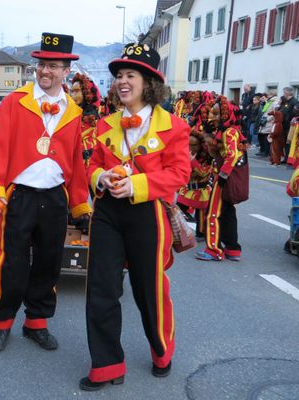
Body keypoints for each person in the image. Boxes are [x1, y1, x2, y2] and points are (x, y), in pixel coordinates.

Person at [81, 43, 190, 391]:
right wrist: (101, 177)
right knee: (101, 287)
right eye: (119, 76)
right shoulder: (105, 124)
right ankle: (106, 364)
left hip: (148, 213)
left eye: (131, 75)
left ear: (148, 82)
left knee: (149, 289)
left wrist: (137, 185)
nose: (122, 82)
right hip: (109, 213)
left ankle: (161, 349)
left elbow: (179, 174)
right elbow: (93, 165)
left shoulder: (174, 126)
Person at [0, 32, 91, 352]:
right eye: (42, 65)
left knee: (49, 262)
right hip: (19, 195)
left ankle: (36, 323)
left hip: (55, 196)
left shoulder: (73, 110)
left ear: (66, 71)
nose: (46, 71)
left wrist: (80, 203)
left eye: (54, 66)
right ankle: (2, 322)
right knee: (12, 262)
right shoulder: (15, 102)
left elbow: (75, 160)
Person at [195, 96, 247, 262]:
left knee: (213, 213)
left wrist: (223, 176)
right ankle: (232, 249)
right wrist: (209, 134)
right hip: (225, 176)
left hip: (224, 178)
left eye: (217, 114)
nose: (213, 117)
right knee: (227, 213)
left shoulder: (229, 132)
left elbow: (231, 156)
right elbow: (215, 154)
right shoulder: (224, 131)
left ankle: (214, 250)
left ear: (226, 114)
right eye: (212, 114)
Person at [70, 73, 100, 168]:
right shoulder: (70, 114)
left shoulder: (94, 118)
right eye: (72, 91)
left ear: (87, 93)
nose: (72, 95)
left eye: (76, 91)